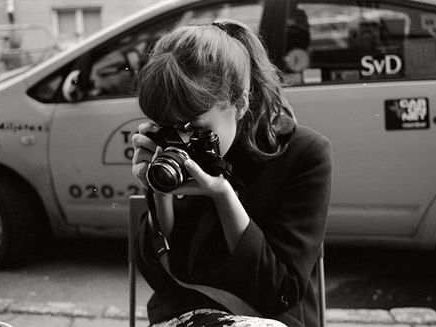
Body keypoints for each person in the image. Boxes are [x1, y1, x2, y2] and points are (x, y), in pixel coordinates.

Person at [131, 21, 332, 327]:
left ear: (240, 103)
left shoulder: (303, 153)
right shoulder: (172, 152)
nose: (180, 140)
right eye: (167, 126)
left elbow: (280, 293)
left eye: (194, 129)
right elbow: (162, 280)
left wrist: (223, 197)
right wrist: (159, 192)